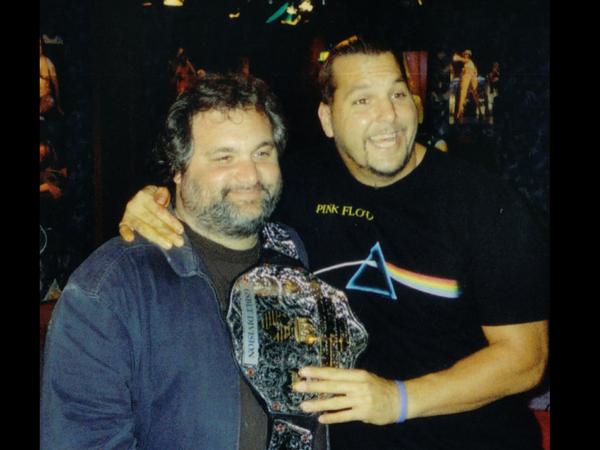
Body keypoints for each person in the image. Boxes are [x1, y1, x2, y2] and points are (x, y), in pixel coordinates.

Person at [118, 36, 549, 449]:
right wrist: (158, 199)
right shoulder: (299, 186)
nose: (388, 116)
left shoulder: (484, 202)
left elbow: (526, 358)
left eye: (398, 94)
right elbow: (224, 196)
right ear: (327, 119)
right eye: (362, 100)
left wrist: (398, 399)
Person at [40, 74, 330, 449]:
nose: (250, 175)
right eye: (224, 157)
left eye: (262, 153)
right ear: (177, 168)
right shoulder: (108, 290)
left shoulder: (292, 252)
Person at [453, 49, 483, 122]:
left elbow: (462, 60)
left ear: (468, 55)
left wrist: (457, 57)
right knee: (464, 93)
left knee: (473, 94)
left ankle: (479, 112)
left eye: (467, 54)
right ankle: (460, 112)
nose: (466, 55)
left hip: (470, 76)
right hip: (468, 75)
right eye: (465, 54)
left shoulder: (469, 62)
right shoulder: (469, 63)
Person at [39, 37, 63, 118]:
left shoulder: (47, 61)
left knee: (50, 101)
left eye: (40, 45)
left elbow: (55, 84)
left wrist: (58, 104)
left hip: (43, 97)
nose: (39, 47)